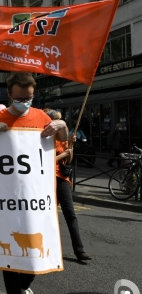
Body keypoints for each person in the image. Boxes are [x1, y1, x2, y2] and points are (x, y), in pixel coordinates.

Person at [0, 72, 68, 294]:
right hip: (5, 198)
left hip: (36, 197)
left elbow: (63, 149)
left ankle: (25, 287)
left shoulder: (42, 117)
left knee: (34, 249)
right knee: (10, 252)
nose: (25, 102)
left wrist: (63, 128)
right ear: (9, 94)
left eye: (30, 98)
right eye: (20, 98)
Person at [44, 109, 92, 262]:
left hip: (62, 178)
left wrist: (69, 147)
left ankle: (79, 250)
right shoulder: (43, 138)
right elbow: (43, 161)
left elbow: (68, 162)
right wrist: (63, 154)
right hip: (46, 178)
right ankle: (48, 247)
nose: (58, 124)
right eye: (56, 121)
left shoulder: (63, 139)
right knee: (48, 215)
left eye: (60, 120)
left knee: (70, 214)